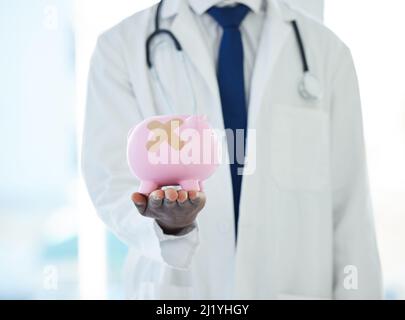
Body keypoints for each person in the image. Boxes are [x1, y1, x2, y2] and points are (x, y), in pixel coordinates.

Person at [82, 0, 382, 299]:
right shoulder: (119, 48)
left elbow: (351, 209)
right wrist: (167, 227)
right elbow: (111, 181)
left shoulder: (328, 52)